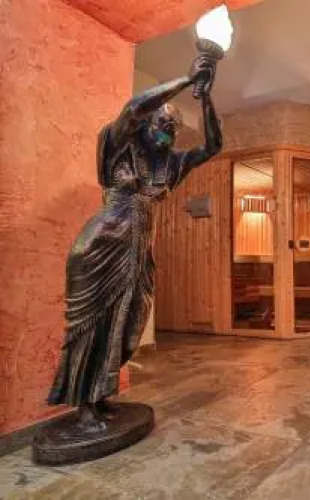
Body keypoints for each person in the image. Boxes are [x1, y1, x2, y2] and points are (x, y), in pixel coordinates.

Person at [46, 55, 222, 418]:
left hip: (139, 254)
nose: (168, 133)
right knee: (92, 328)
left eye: (173, 129)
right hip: (101, 248)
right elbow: (132, 108)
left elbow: (212, 147)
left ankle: (101, 395)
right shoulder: (117, 147)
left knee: (130, 327)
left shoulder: (171, 164)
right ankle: (85, 408)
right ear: (145, 125)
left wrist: (206, 98)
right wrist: (186, 80)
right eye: (162, 124)